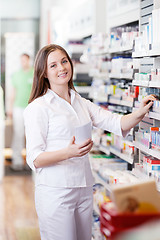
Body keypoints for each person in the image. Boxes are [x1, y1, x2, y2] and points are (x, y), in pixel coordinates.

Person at [23, 44, 156, 240]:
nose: (61, 68)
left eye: (64, 61)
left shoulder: (80, 102)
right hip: (56, 192)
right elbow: (34, 158)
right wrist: (68, 152)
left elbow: (115, 122)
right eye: (53, 65)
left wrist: (141, 111)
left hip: (83, 188)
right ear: (43, 73)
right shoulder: (39, 108)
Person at [7, 53, 33, 170]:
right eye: (21, 60)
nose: (23, 62)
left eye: (25, 60)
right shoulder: (16, 75)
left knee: (31, 135)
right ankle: (17, 160)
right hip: (18, 108)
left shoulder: (34, 73)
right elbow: (13, 92)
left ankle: (30, 161)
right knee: (18, 134)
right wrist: (10, 108)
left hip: (31, 108)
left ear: (29, 61)